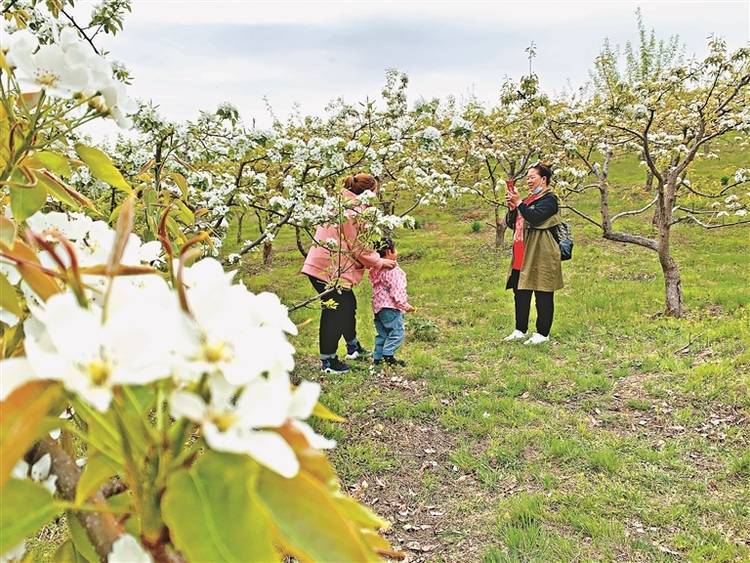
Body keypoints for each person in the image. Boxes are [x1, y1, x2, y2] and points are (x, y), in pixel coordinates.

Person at [302, 173, 396, 374]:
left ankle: (353, 347)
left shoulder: (340, 203)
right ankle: (328, 361)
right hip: (330, 269)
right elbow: (357, 246)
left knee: (347, 305)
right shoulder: (352, 212)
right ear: (368, 192)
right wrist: (379, 262)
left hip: (326, 265)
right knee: (335, 312)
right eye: (375, 193)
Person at [503, 163, 563, 345]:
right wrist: (513, 208)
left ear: (543, 179)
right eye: (527, 177)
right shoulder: (529, 199)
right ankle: (520, 329)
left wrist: (519, 203)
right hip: (522, 249)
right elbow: (513, 223)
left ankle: (543, 333)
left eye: (532, 177)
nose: (528, 181)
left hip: (541, 251)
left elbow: (535, 217)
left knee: (543, 289)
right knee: (520, 290)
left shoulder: (550, 200)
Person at [369, 237, 415, 367]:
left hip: (378, 307)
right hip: (390, 307)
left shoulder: (376, 268)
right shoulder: (392, 270)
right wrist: (404, 305)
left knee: (382, 333)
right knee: (397, 332)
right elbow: (397, 289)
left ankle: (377, 358)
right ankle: (388, 355)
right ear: (389, 251)